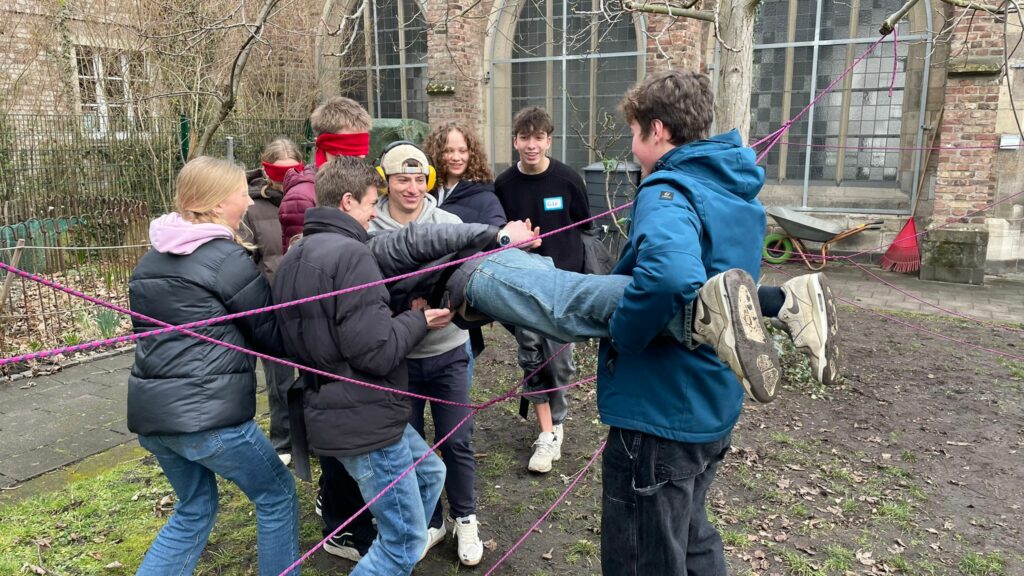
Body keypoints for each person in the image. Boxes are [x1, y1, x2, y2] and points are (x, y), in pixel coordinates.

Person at [444, 70, 839, 574]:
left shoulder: (669, 188)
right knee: (691, 540)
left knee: (641, 559)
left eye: (633, 133)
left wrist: (625, 336)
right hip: (713, 401)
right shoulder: (733, 188)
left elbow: (671, 275)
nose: (632, 147)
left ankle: (478, 280)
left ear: (657, 130)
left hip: (660, 408)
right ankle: (783, 302)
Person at [272, 155, 449, 576]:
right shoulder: (353, 255)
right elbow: (377, 352)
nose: (374, 213)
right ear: (348, 201)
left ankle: (394, 553)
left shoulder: (294, 255)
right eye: (371, 203)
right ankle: (395, 555)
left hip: (340, 406)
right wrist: (417, 320)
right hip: (364, 417)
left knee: (430, 472)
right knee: (404, 541)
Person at [127, 156, 299, 575]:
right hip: (210, 421)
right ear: (219, 203)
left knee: (195, 507)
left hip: (155, 419)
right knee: (277, 494)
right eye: (242, 193)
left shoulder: (150, 259)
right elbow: (269, 334)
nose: (249, 201)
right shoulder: (225, 258)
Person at [369, 142, 484, 566]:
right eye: (402, 179)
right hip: (399, 358)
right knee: (410, 447)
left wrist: (452, 305)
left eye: (420, 179)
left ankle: (465, 517)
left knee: (457, 439)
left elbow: (468, 274)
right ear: (386, 182)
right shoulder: (370, 227)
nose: (412, 188)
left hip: (448, 351)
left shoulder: (448, 223)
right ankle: (429, 520)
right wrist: (405, 312)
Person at [493, 106, 591, 474]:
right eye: (524, 137)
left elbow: (584, 226)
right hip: (523, 284)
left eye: (538, 138)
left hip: (563, 286)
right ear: (515, 141)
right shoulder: (504, 184)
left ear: (549, 141)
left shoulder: (568, 180)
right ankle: (547, 431)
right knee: (531, 355)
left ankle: (557, 420)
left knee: (560, 362)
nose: (531, 145)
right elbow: (499, 232)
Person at [243, 137, 304, 466]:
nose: (285, 178)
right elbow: (247, 258)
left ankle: (312, 436)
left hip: (308, 301)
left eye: (292, 170)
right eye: (278, 171)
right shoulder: (250, 207)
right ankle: (283, 439)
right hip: (271, 305)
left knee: (313, 374)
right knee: (279, 381)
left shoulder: (309, 197)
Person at [278, 96, 371, 252]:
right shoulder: (302, 197)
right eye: (351, 150)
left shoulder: (358, 184)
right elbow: (304, 258)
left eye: (362, 151)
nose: (361, 157)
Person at [424, 122, 506, 227]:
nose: (456, 157)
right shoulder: (424, 191)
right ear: (437, 154)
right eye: (449, 151)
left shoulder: (486, 199)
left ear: (472, 154)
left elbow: (498, 231)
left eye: (462, 151)